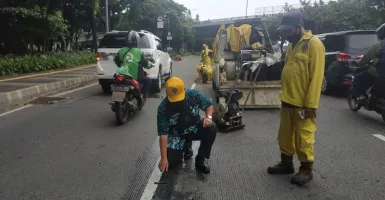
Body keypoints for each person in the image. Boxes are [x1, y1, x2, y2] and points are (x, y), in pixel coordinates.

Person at [267, 12, 325, 185]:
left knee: (304, 136)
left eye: (288, 29)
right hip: (287, 100)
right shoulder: (292, 46)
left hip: (302, 104)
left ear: (298, 26)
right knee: (284, 135)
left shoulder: (313, 44)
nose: (285, 33)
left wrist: (311, 105)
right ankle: (286, 164)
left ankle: (306, 170)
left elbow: (317, 77)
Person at [157, 77, 217, 174]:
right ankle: (185, 146)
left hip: (194, 128)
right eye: (174, 100)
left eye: (179, 99)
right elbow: (163, 134)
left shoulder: (193, 94)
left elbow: (208, 105)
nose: (177, 102)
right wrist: (163, 158)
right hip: (176, 135)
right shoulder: (163, 108)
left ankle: (201, 158)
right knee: (171, 163)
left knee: (211, 127)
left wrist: (208, 117)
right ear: (167, 94)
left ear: (184, 90)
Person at [114, 31, 154, 103]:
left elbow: (117, 61)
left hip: (121, 75)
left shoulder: (121, 51)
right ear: (137, 40)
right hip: (135, 77)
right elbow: (145, 63)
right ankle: (143, 96)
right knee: (148, 80)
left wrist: (123, 66)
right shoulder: (139, 51)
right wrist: (151, 65)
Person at [353, 23, 385, 97]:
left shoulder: (379, 45)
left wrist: (359, 63)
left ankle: (358, 96)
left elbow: (366, 58)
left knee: (358, 77)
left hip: (380, 73)